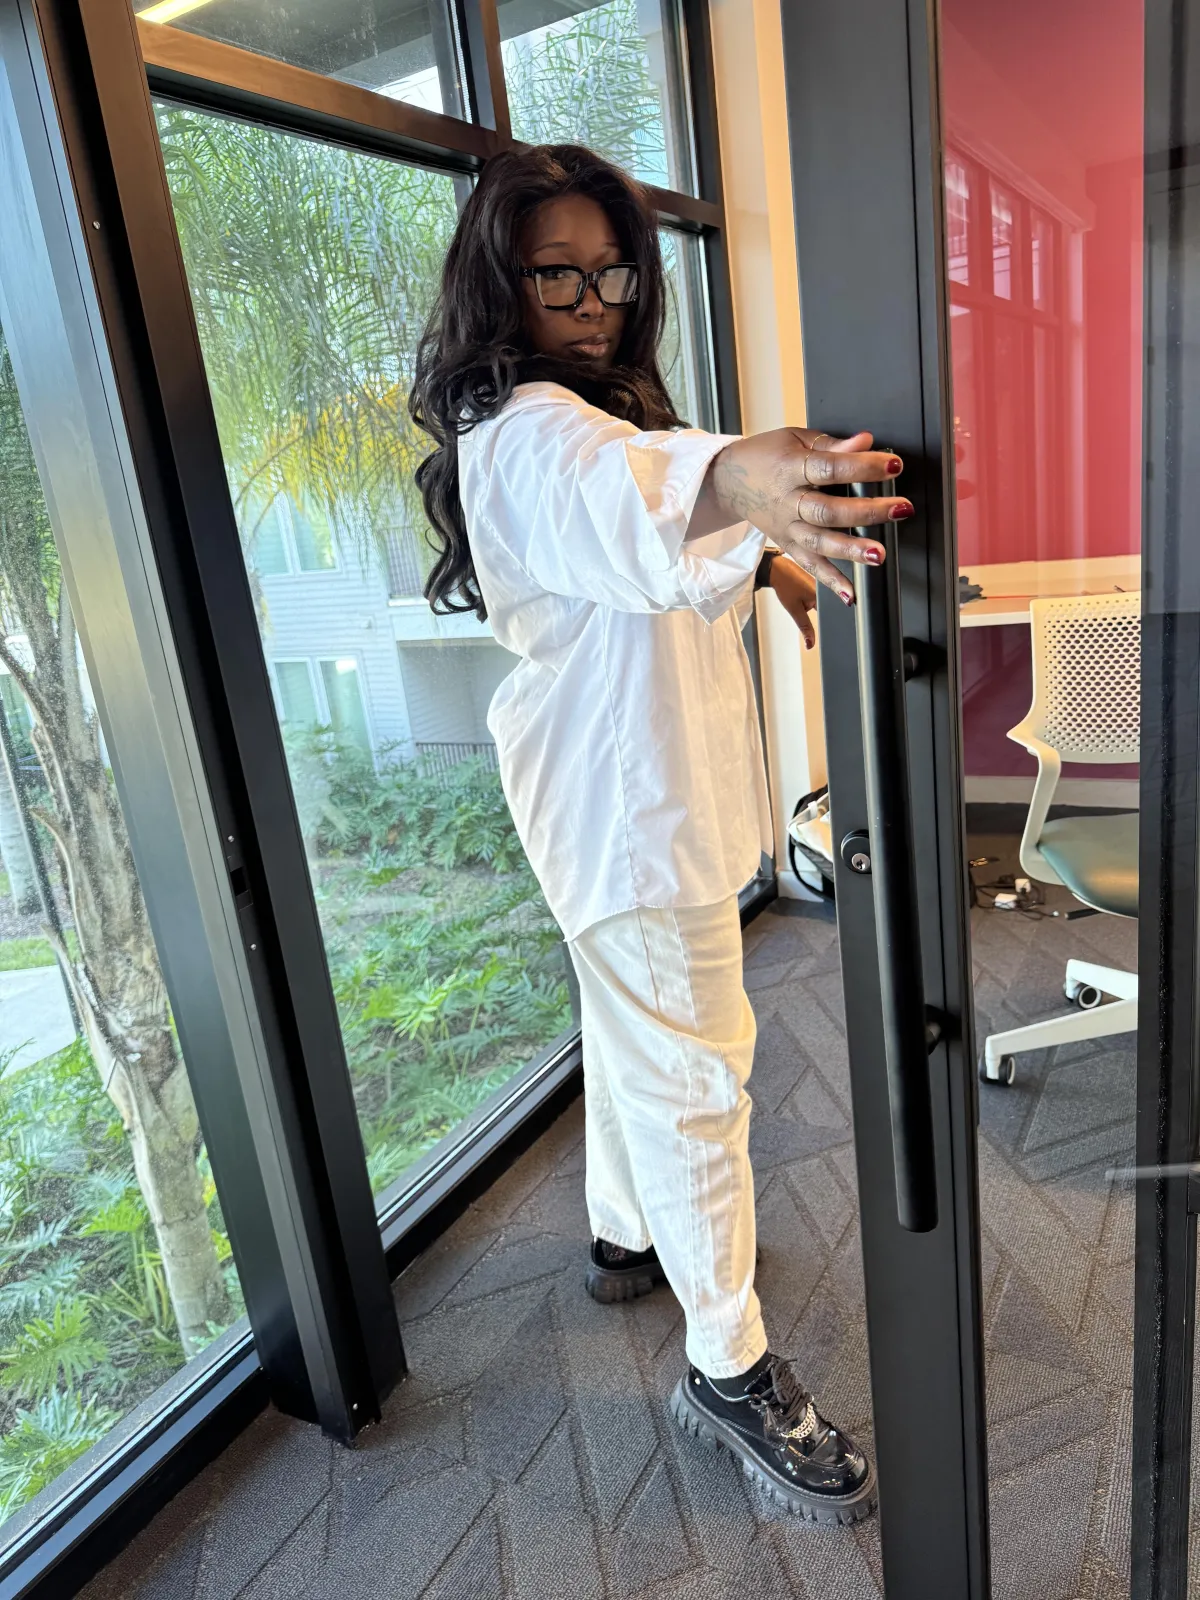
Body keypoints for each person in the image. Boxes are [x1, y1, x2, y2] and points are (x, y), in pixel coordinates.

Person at [411, 144, 910, 1527]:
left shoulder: (593, 416)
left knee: (631, 1031)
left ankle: (625, 1236)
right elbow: (625, 502)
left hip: (618, 801)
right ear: (499, 282)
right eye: (555, 272)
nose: (592, 300)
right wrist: (750, 480)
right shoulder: (523, 433)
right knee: (702, 1078)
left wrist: (769, 556)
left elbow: (657, 511)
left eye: (613, 272)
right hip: (628, 817)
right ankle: (730, 1369)